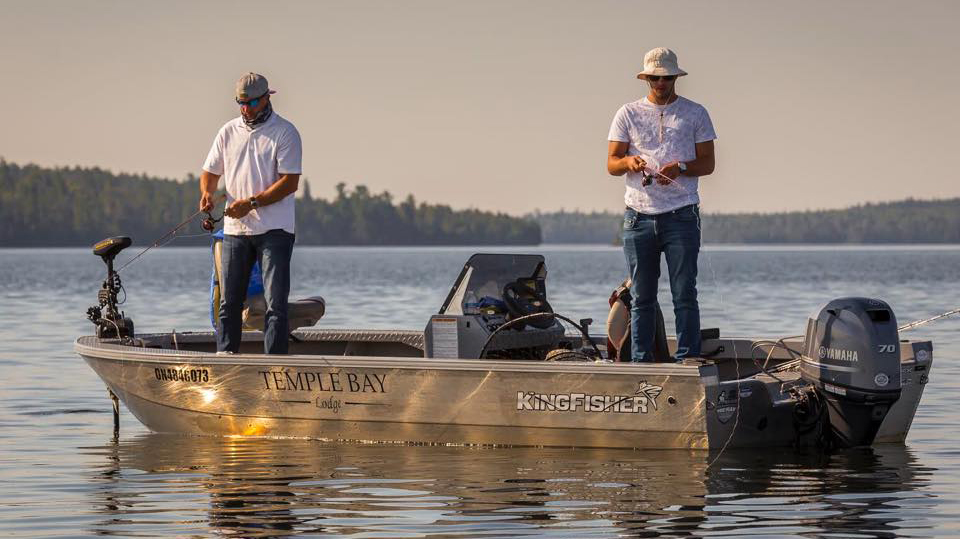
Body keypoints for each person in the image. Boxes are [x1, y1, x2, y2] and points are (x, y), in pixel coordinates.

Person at [606, 48, 717, 362]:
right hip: (638, 218)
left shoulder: (696, 113)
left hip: (681, 216)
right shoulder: (627, 113)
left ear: (675, 77)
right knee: (641, 297)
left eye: (666, 77)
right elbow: (612, 164)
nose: (660, 82)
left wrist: (680, 168)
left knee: (684, 294)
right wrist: (630, 161)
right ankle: (641, 362)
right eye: (654, 77)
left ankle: (688, 359)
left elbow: (708, 163)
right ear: (646, 78)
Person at [199, 73, 303, 354]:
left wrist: (252, 203)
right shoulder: (227, 132)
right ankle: (225, 357)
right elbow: (209, 173)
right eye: (240, 103)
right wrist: (208, 192)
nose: (245, 109)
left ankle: (275, 364)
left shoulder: (285, 132)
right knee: (229, 303)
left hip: (276, 231)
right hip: (236, 232)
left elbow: (289, 183)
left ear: (267, 97)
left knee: (275, 304)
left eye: (252, 102)